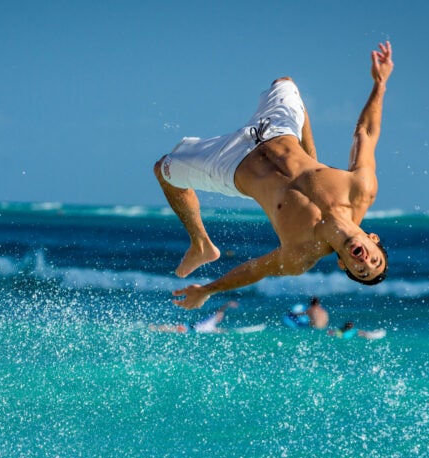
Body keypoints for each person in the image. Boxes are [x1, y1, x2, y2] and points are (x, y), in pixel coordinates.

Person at [155, 42, 394, 310]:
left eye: (361, 270)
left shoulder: (300, 254)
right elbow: (366, 133)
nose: (365, 262)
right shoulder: (360, 190)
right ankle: (306, 146)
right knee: (285, 82)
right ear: (373, 239)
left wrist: (208, 290)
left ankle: (200, 244)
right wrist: (380, 83)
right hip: (276, 129)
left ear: (343, 264)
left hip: (230, 165)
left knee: (163, 170)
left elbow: (256, 269)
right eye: (375, 260)